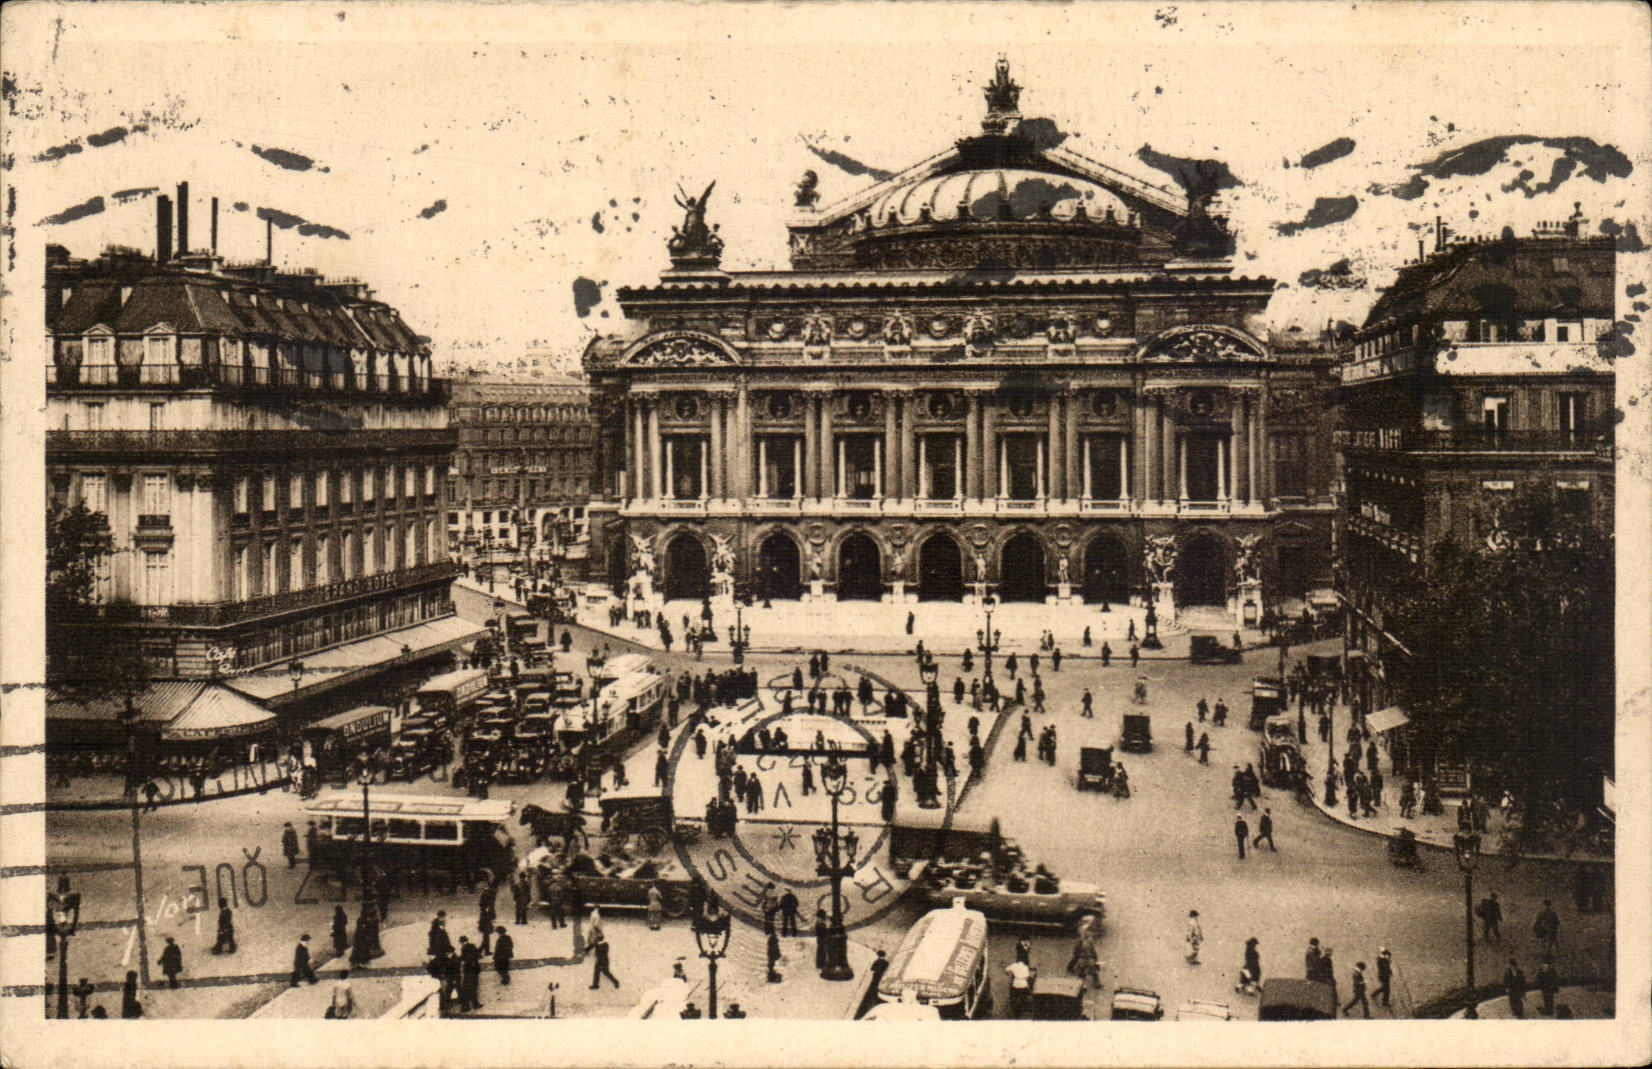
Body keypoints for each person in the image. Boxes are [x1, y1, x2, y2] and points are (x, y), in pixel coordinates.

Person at [458, 936, 483, 1011]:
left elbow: (463, 958)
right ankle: (475, 1004)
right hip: (475, 970)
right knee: (473, 988)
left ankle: (466, 1007)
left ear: (462, 942)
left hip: (468, 971)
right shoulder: (473, 946)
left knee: (466, 988)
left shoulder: (464, 949)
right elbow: (479, 955)